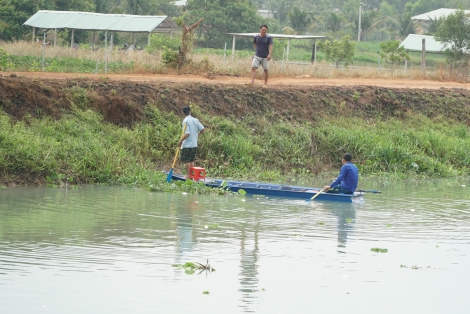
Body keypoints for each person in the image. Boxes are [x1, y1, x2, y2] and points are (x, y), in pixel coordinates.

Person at [178, 106, 205, 179]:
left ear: (183, 112)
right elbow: (202, 129)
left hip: (187, 144)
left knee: (187, 160)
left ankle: (188, 175)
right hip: (194, 144)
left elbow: (187, 133)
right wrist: (197, 135)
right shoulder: (195, 120)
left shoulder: (185, 121)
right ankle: (192, 175)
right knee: (191, 160)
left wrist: (180, 141)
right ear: (190, 111)